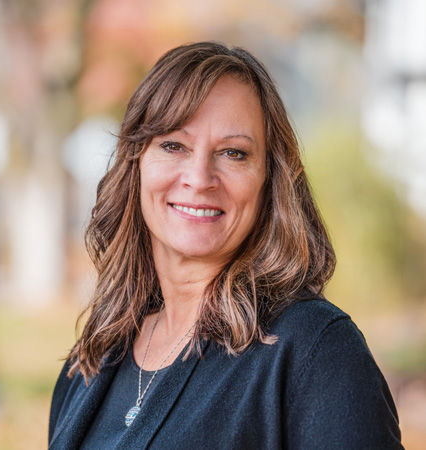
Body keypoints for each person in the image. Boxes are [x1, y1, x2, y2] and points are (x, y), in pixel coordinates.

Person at [48, 42, 404, 450]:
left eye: (234, 153)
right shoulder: (90, 361)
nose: (199, 178)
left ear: (270, 180)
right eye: (173, 145)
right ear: (136, 162)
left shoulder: (316, 352)